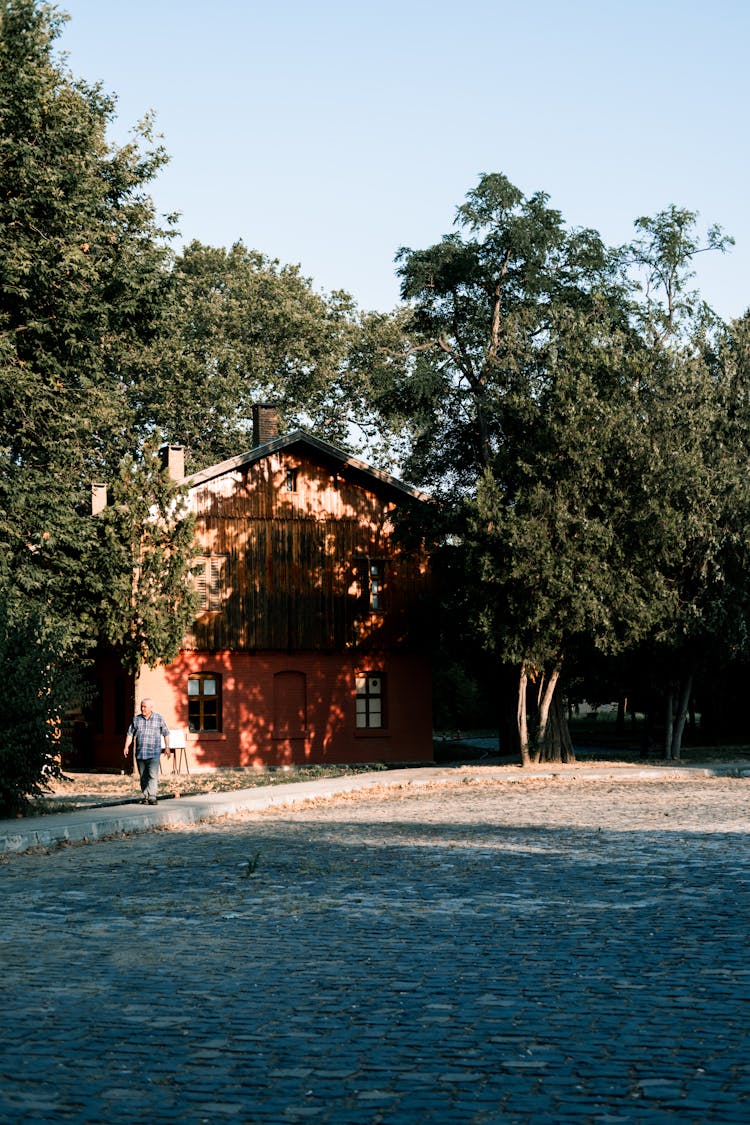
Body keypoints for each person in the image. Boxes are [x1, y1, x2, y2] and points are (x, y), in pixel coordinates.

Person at [124, 698, 171, 805]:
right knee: (143, 776)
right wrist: (126, 746)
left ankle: (152, 796)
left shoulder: (158, 718)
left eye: (145, 706)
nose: (142, 708)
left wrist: (167, 747)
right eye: (141, 706)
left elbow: (166, 733)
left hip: (154, 753)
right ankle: (146, 796)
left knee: (153, 775)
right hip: (140, 753)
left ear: (151, 707)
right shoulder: (136, 719)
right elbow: (130, 734)